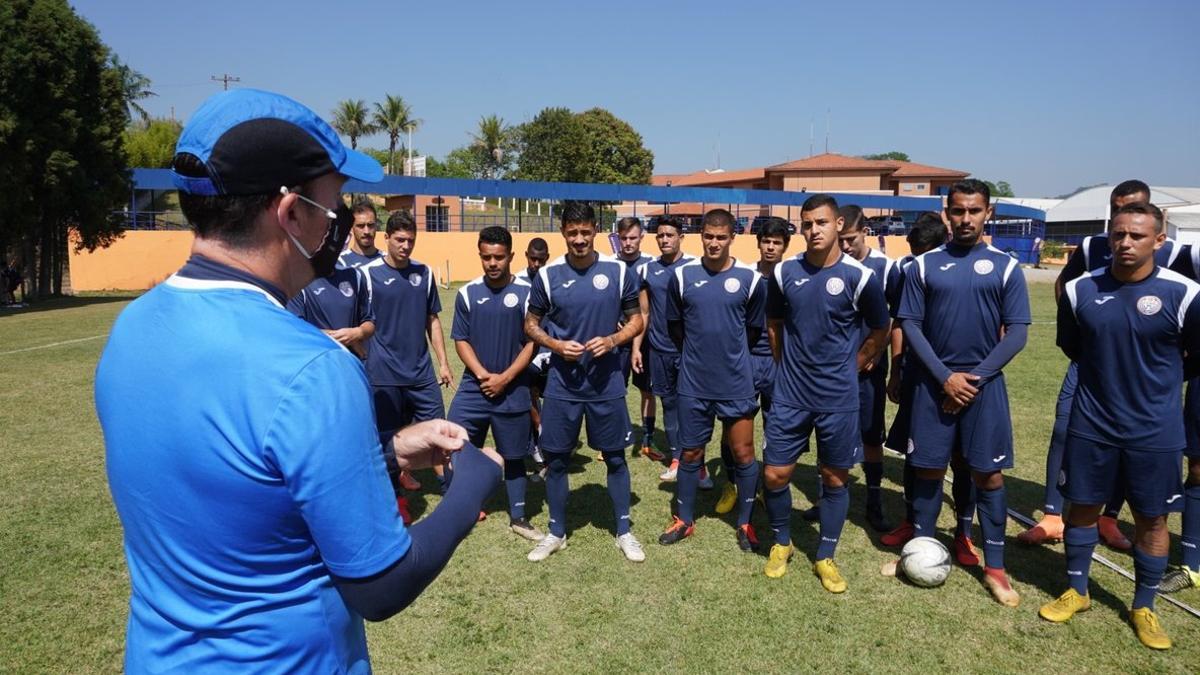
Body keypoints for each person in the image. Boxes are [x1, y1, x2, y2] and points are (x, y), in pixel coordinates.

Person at [94, 88, 500, 672]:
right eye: (335, 204)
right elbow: (381, 585)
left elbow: (238, 480)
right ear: (290, 214)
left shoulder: (132, 327)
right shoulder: (311, 367)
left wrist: (383, 453)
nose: (340, 222)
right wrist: (470, 487)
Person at [1039, 202, 1200, 650]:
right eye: (1119, 235)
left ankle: (1143, 605)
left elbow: (1195, 356)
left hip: (1155, 431)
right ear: (1109, 237)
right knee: (1082, 509)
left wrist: (1155, 392)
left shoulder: (1184, 293)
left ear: (1159, 241)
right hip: (1092, 424)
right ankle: (1077, 590)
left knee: (1152, 519)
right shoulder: (1080, 290)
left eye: (1137, 236)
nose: (1126, 244)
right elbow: (1073, 347)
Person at [888, 179, 1029, 607]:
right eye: (958, 211)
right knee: (929, 470)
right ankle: (922, 551)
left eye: (974, 211)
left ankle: (996, 568)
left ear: (989, 213)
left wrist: (972, 380)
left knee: (987, 474)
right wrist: (945, 377)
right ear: (946, 213)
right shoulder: (923, 265)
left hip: (982, 390)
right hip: (933, 388)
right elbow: (910, 325)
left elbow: (1018, 333)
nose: (965, 219)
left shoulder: (1005, 267)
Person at [1022, 180, 1165, 549]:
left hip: (1138, 375)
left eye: (1130, 208)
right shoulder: (1093, 246)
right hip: (1089, 362)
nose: (1122, 219)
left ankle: (1108, 517)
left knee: (1124, 444)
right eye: (1116, 208)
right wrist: (1078, 324)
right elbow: (1064, 284)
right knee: (1063, 428)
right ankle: (1053, 516)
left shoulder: (1170, 252)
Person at [761, 195, 890, 590]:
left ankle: (825, 555)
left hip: (838, 398)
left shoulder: (860, 276)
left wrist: (851, 366)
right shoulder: (785, 273)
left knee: (834, 479)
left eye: (820, 222)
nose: (813, 230)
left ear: (837, 224)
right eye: (806, 224)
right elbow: (773, 325)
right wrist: (790, 370)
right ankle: (782, 542)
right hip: (791, 394)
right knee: (775, 473)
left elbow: (880, 330)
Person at [524, 201, 646, 562]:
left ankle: (624, 530)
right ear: (563, 232)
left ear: (596, 230)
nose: (579, 239)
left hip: (606, 384)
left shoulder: (620, 272)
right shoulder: (547, 277)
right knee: (557, 460)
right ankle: (556, 531)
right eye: (572, 232)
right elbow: (530, 324)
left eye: (585, 232)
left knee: (615, 458)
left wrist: (612, 340)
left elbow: (637, 320)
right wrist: (556, 344)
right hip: (562, 385)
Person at [657, 209, 766, 552]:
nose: (714, 243)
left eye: (721, 237)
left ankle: (745, 522)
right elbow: (676, 327)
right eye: (708, 236)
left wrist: (729, 357)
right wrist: (697, 356)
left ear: (733, 238)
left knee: (744, 453)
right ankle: (684, 520)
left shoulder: (750, 279)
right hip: (694, 382)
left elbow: (753, 331)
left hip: (736, 381)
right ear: (700, 236)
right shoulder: (682, 277)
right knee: (691, 453)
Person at [880, 212, 981, 551]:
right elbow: (900, 321)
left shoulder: (968, 271)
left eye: (924, 251)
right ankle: (913, 521)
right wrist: (897, 369)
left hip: (964, 380)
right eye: (914, 251)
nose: (918, 259)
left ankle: (963, 531)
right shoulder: (908, 270)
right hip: (919, 377)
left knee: (963, 457)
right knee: (915, 452)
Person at [448, 226, 542, 542]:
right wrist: (483, 375)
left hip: (513, 388)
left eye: (499, 257)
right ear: (480, 255)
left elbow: (533, 342)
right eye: (486, 257)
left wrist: (504, 378)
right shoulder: (468, 293)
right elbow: (460, 339)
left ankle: (518, 516)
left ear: (511, 256)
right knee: (458, 444)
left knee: (514, 455)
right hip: (476, 386)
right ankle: (468, 507)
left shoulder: (528, 294)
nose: (492, 263)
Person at [363, 211, 456, 504]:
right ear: (386, 238)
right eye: (400, 240)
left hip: (421, 374)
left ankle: (450, 494)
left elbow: (433, 320)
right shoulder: (367, 275)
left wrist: (442, 362)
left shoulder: (424, 273)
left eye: (410, 241)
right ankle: (396, 500)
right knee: (388, 442)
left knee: (440, 434)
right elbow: (361, 324)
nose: (405, 246)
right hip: (383, 375)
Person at [713, 216, 790, 517]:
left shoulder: (791, 277)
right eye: (766, 242)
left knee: (777, 427)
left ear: (785, 246)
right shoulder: (744, 277)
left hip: (778, 364)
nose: (770, 247)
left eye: (777, 242)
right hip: (744, 362)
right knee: (732, 425)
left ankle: (765, 489)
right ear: (758, 244)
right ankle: (731, 484)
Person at [837, 205, 901, 532]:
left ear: (865, 232)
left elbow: (897, 318)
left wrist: (881, 353)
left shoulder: (886, 268)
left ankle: (873, 498)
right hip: (835, 369)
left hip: (870, 369)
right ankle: (831, 496)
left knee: (871, 433)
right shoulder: (832, 265)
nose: (846, 246)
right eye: (841, 240)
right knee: (833, 433)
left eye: (850, 239)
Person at [631, 216, 703, 484]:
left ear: (681, 237)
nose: (664, 240)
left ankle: (698, 462)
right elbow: (644, 312)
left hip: (689, 351)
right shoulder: (648, 270)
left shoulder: (695, 267)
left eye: (670, 235)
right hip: (659, 350)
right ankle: (677, 459)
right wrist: (637, 348)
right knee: (669, 405)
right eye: (660, 235)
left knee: (693, 407)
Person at [614, 217, 658, 460]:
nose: (628, 243)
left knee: (647, 391)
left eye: (633, 238)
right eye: (624, 238)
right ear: (617, 238)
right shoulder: (610, 265)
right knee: (615, 389)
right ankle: (614, 439)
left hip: (645, 339)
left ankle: (648, 440)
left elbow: (647, 309)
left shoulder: (651, 265)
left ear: (642, 237)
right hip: (618, 340)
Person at [286, 261, 374, 358]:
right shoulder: (298, 280)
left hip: (351, 362)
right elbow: (297, 329)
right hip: (318, 360)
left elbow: (369, 322)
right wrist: (347, 341)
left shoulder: (354, 275)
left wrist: (357, 333)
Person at [516, 237, 552, 472]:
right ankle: (537, 447)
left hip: (551, 351)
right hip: (526, 352)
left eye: (541, 259)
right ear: (526, 255)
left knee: (554, 401)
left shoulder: (553, 279)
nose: (536, 264)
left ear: (547, 258)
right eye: (533, 258)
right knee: (530, 399)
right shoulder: (517, 281)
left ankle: (550, 444)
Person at [338, 199, 384, 268]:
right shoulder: (341, 262)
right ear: (351, 227)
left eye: (370, 225)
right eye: (360, 226)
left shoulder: (387, 260)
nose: (366, 231)